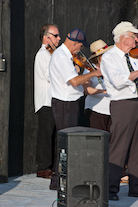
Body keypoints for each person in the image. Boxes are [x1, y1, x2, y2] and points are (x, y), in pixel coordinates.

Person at [49, 28, 102, 190]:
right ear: (75, 43)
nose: (80, 50)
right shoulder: (62, 57)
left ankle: (59, 180)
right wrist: (94, 74)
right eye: (80, 46)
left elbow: (73, 77)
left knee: (67, 143)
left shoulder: (64, 55)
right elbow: (74, 81)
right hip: (65, 104)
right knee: (66, 144)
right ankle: (58, 181)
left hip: (68, 103)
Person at [100, 21, 138, 200]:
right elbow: (118, 80)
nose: (136, 40)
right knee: (119, 146)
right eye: (133, 36)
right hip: (122, 103)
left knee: (137, 148)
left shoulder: (132, 57)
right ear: (122, 37)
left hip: (136, 102)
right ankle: (110, 188)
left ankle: (135, 187)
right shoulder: (109, 57)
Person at [34, 24, 61, 179]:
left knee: (53, 134)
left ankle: (51, 167)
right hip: (46, 101)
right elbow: (49, 75)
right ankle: (43, 168)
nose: (59, 39)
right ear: (47, 36)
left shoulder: (52, 54)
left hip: (52, 100)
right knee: (46, 134)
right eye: (56, 36)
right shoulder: (44, 54)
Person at [83, 39, 113, 132]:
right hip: (96, 109)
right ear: (98, 57)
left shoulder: (112, 67)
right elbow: (85, 89)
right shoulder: (90, 70)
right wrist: (102, 91)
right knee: (99, 140)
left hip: (112, 110)